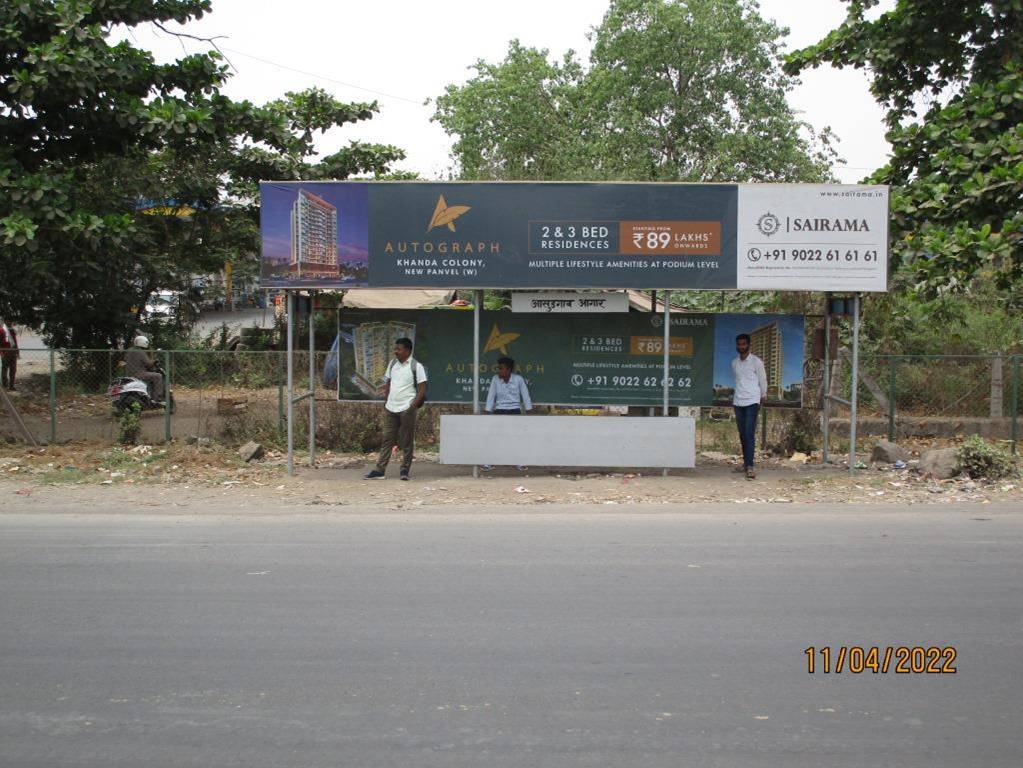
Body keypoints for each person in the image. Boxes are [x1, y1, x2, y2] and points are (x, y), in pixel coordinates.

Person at [364, 338, 427, 481]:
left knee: (406, 440)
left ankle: (404, 470)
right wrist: (387, 401)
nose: (395, 352)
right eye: (395, 349)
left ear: (408, 350)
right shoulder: (392, 364)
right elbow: (388, 382)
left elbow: (422, 389)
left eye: (399, 349)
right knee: (387, 439)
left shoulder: (417, 366)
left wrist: (412, 407)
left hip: (407, 408)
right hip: (391, 408)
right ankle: (380, 470)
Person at [482, 356, 533, 471]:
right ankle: (489, 462)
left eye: (501, 368)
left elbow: (525, 396)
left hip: (514, 410)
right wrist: (487, 411)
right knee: (494, 437)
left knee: (517, 437)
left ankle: (520, 462)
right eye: (498, 368)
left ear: (509, 370)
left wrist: (529, 412)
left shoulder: (518, 379)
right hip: (499, 410)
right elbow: (491, 396)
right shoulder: (495, 379)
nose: (499, 371)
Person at [731, 333, 767, 480]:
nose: (741, 347)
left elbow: (762, 379)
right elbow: (739, 381)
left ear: (748, 345)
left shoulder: (756, 362)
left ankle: (750, 466)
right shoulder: (734, 363)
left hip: (752, 400)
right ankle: (746, 463)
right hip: (738, 401)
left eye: (743, 344)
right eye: (739, 344)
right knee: (742, 434)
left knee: (749, 434)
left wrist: (763, 395)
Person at [125, 335, 165, 403]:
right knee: (158, 376)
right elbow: (148, 363)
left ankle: (149, 394)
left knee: (152, 376)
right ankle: (157, 398)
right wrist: (154, 361)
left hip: (129, 374)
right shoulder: (140, 351)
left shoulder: (129, 350)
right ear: (143, 342)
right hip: (139, 373)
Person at [0, 316, 19, 391]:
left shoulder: (12, 331)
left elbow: (15, 341)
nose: (10, 323)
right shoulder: (1, 330)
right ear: (5, 321)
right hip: (5, 352)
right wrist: (1, 353)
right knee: (4, 369)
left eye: (11, 321)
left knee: (13, 369)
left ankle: (12, 385)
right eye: (8, 321)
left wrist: (17, 351)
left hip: (13, 352)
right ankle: (5, 385)